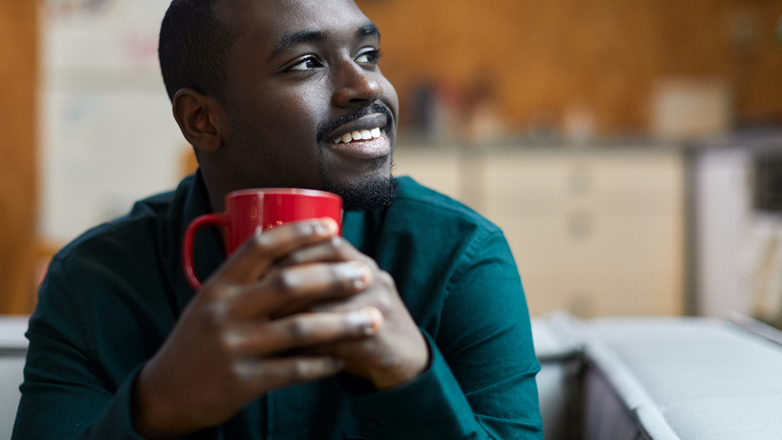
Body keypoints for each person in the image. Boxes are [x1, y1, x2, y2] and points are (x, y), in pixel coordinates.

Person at [13, 0, 543, 438]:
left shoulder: (461, 256)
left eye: (369, 54)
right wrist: (156, 404)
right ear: (202, 120)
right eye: (307, 63)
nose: (368, 86)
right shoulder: (93, 281)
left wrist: (411, 375)